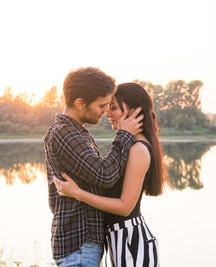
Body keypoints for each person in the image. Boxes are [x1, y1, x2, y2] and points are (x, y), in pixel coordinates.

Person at [54, 82, 166, 267]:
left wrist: (78, 194)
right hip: (120, 239)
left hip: (131, 242)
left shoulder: (138, 149)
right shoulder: (130, 145)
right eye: (106, 107)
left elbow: (125, 207)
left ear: (134, 111)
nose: (107, 112)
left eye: (113, 107)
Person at [43, 67, 144, 267]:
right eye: (102, 105)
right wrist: (125, 135)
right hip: (78, 246)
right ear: (80, 103)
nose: (106, 111)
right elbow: (105, 174)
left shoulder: (78, 133)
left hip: (82, 246)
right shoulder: (64, 133)